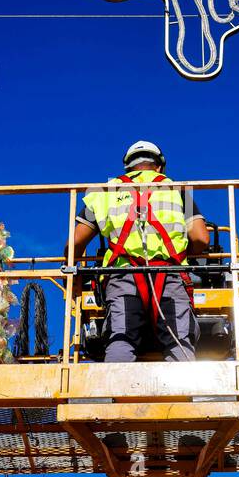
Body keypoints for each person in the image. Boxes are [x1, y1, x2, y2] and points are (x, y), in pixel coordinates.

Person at [65, 141, 210, 362]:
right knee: (178, 339)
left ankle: (117, 393)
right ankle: (183, 395)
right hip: (169, 275)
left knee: (121, 338)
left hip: (123, 276)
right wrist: (181, 255)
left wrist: (74, 275)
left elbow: (74, 245)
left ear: (128, 167)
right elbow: (201, 238)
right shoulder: (176, 190)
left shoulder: (105, 192)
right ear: (159, 167)